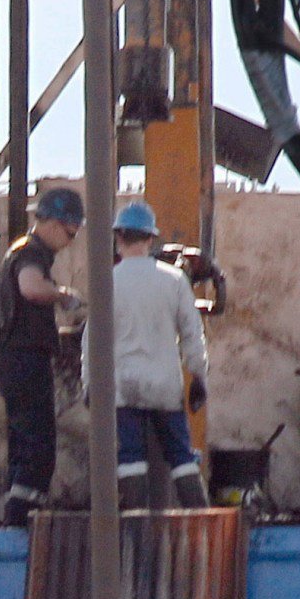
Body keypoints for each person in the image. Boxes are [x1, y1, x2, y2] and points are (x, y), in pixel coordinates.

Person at [98, 200, 212, 509]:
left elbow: (92, 341)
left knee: (130, 456)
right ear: (151, 239)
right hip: (165, 384)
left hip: (125, 385)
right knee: (181, 456)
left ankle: (134, 523)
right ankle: (200, 520)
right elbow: (192, 334)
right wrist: (199, 376)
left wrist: (88, 384)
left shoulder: (108, 281)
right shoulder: (174, 280)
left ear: (118, 238)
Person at [0, 187, 86, 526]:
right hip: (25, 360)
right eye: (70, 232)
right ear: (56, 223)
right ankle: (23, 519)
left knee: (23, 442)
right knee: (38, 444)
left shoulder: (19, 250)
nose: (70, 240)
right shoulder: (31, 254)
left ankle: (17, 513)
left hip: (12, 359)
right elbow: (31, 288)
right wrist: (62, 295)